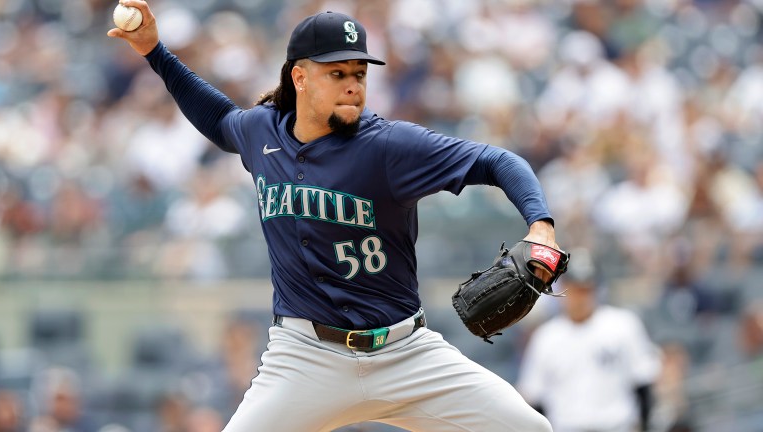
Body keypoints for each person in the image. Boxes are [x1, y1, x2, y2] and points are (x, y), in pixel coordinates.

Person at [109, 2, 561, 430]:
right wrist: (153, 51)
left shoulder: (389, 146)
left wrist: (540, 224)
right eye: (338, 73)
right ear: (300, 78)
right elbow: (218, 118)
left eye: (359, 73)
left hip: (405, 353)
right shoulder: (261, 131)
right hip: (306, 357)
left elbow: (498, 161)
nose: (353, 85)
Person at [517, 248, 661, 432]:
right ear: (563, 290)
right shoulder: (546, 337)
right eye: (575, 289)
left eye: (586, 289)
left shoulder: (623, 325)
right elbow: (535, 398)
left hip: (616, 426)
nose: (581, 297)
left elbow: (643, 385)